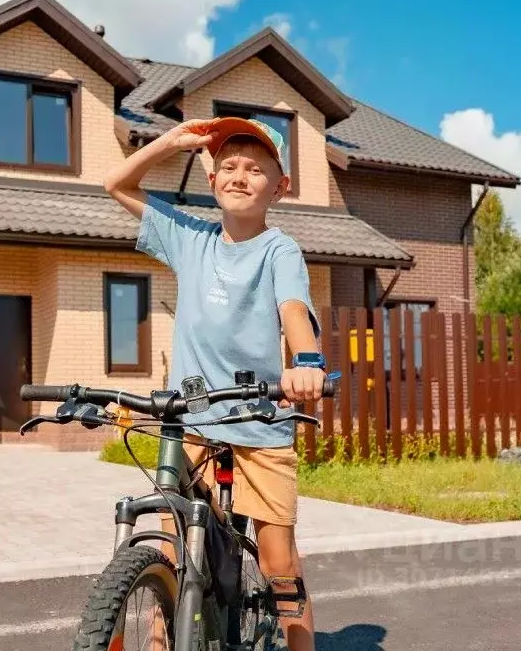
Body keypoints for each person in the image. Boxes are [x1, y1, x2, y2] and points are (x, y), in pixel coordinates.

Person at [104, 116, 326, 651]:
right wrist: (169, 143)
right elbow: (115, 184)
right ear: (211, 179)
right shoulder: (190, 238)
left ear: (281, 186)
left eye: (255, 169)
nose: (239, 176)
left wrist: (308, 362)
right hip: (191, 420)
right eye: (228, 165)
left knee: (278, 565)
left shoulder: (279, 250)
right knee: (176, 550)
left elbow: (294, 311)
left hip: (258, 421)